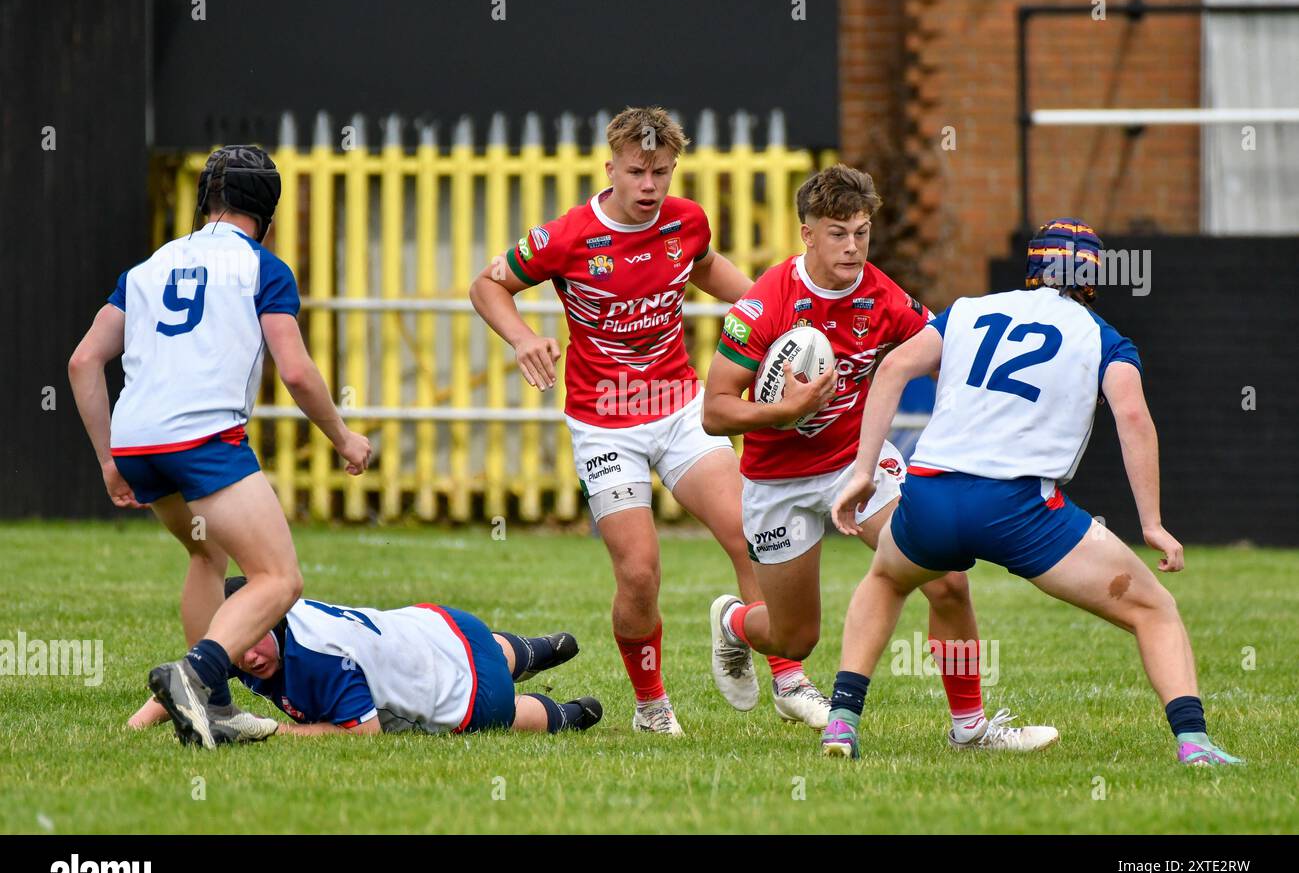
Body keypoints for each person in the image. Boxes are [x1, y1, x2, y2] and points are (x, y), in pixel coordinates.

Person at [822, 218, 1242, 766]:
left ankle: (842, 720)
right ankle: (1195, 744)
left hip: (930, 493)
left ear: (1031, 269)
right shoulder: (1104, 339)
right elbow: (1134, 418)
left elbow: (895, 367)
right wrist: (1153, 524)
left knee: (886, 580)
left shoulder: (969, 310)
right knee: (1154, 610)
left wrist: (862, 471)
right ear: (1092, 278)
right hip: (1018, 509)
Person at [470, 107, 825, 734]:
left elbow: (707, 266)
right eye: (637, 172)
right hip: (605, 424)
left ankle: (787, 678)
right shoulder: (567, 236)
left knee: (750, 532)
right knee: (639, 571)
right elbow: (487, 286)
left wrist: (770, 319)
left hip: (681, 409)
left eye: (661, 172)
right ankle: (652, 706)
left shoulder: (686, 222)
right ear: (610, 168)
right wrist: (523, 337)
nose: (649, 186)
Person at [702, 164, 1056, 749]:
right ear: (807, 233)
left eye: (862, 232)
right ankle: (734, 623)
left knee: (946, 580)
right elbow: (715, 411)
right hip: (776, 479)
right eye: (837, 232)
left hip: (856, 464)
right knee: (794, 639)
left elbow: (943, 360)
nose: (852, 246)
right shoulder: (764, 304)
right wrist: (782, 412)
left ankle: (970, 727)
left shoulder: (882, 296)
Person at [68, 145, 372, 749]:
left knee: (207, 557)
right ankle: (193, 674)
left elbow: (83, 362)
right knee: (279, 579)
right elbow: (298, 371)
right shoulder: (263, 266)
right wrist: (343, 436)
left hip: (137, 440)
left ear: (205, 200)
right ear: (269, 213)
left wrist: (109, 458)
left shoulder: (147, 267)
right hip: (202, 439)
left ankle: (217, 706)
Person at [130, 578, 601, 736]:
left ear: (272, 622)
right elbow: (186, 677)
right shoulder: (262, 627)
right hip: (444, 625)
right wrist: (137, 724)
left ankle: (569, 715)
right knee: (485, 648)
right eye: (234, 650)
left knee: (509, 713)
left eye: (254, 640)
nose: (248, 657)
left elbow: (365, 734)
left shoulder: (316, 661)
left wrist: (269, 731)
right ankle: (538, 648)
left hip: (474, 696)